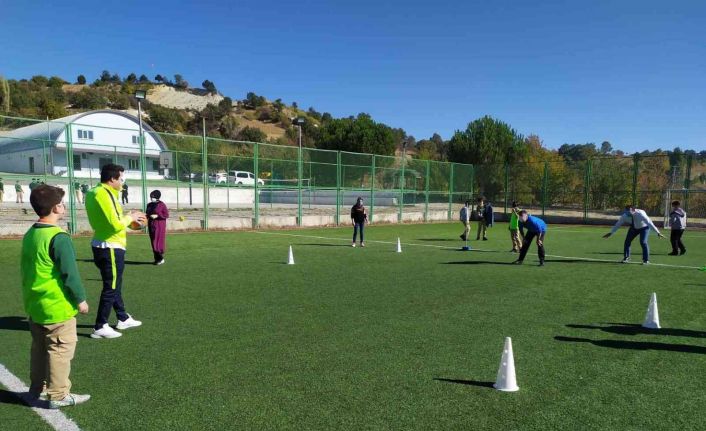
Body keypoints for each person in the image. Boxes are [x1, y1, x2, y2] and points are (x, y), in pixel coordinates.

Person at [20, 185, 91, 408]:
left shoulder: (31, 233)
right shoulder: (58, 237)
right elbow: (70, 273)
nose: (63, 206)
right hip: (56, 307)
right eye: (61, 203)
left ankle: (36, 389)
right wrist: (80, 299)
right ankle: (59, 394)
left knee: (39, 350)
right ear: (56, 208)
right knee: (60, 350)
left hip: (35, 305)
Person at [85, 164, 146, 339]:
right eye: (121, 178)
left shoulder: (96, 192)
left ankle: (122, 317)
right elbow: (116, 224)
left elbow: (113, 220)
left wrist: (130, 219)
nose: (122, 182)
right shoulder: (104, 193)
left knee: (114, 284)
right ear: (112, 179)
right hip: (109, 246)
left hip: (106, 244)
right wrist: (131, 217)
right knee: (110, 286)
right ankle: (100, 326)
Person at [146, 190, 169, 265]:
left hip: (159, 225)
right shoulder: (149, 205)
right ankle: (157, 259)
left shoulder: (162, 205)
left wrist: (158, 215)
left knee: (157, 242)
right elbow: (147, 214)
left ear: (157, 196)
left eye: (153, 196)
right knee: (153, 241)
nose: (151, 198)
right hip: (151, 225)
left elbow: (166, 215)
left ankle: (160, 258)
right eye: (151, 196)